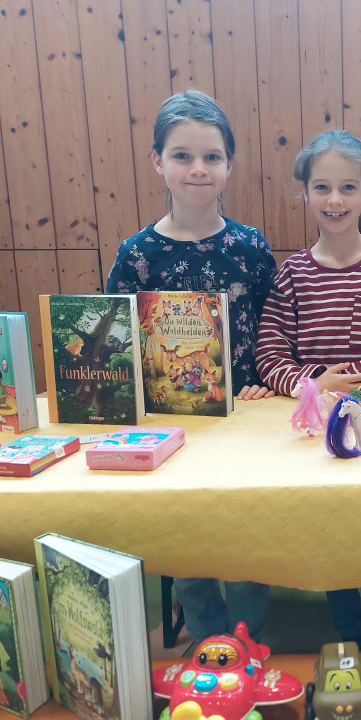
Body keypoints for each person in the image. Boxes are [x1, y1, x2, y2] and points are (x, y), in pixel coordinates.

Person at [105, 90, 277, 645]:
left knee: (247, 535)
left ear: (230, 165)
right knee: (185, 536)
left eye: (211, 156)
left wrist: (264, 382)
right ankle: (205, 642)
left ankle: (246, 642)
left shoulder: (250, 247)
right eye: (182, 155)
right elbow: (118, 346)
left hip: (246, 418)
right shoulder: (136, 255)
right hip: (170, 424)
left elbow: (275, 329)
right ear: (158, 161)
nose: (198, 168)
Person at [256, 130, 361, 650]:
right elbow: (268, 355)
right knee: (326, 522)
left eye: (348, 187)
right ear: (305, 192)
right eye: (322, 187)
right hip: (313, 428)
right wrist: (312, 384)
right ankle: (349, 626)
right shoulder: (292, 273)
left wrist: (344, 378)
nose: (335, 200)